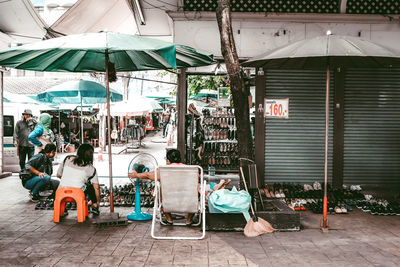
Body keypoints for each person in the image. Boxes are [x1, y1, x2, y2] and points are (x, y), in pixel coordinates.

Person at [129, 149, 196, 225]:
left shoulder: (164, 170)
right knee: (196, 194)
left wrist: (136, 175)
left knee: (158, 193)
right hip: (188, 201)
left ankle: (169, 219)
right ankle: (189, 219)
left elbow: (148, 175)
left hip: (168, 202)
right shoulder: (192, 169)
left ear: (168, 160)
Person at [56, 144, 101, 215]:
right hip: (78, 195)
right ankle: (94, 206)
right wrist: (98, 201)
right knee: (90, 187)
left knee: (62, 183)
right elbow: (97, 188)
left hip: (61, 193)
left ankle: (63, 208)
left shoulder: (67, 159)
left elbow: (58, 175)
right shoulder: (91, 169)